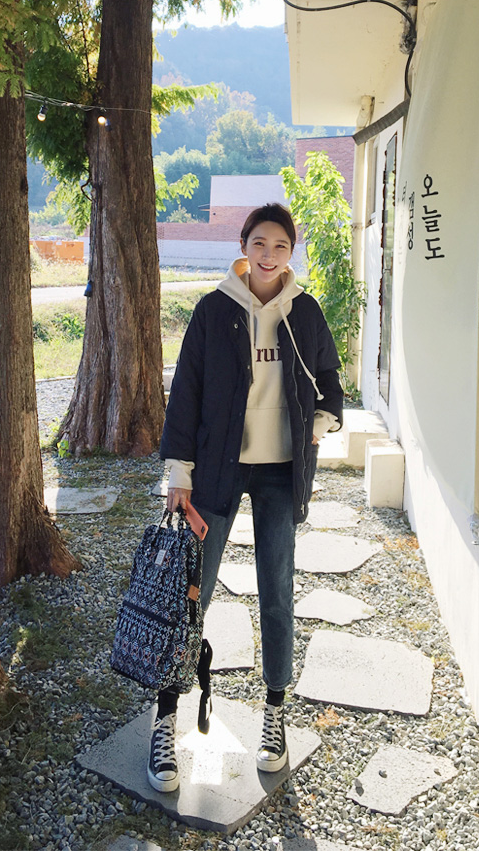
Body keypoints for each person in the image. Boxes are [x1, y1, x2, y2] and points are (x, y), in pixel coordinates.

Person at [150, 203, 344, 792]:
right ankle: (165, 719)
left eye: (280, 245)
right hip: (216, 471)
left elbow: (330, 382)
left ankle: (275, 713)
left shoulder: (305, 312)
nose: (269, 254)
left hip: (280, 473)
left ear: (291, 252)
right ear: (243, 246)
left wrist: (318, 425)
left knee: (278, 591)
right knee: (192, 592)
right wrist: (178, 472)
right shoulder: (214, 311)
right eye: (260, 243)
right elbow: (186, 391)